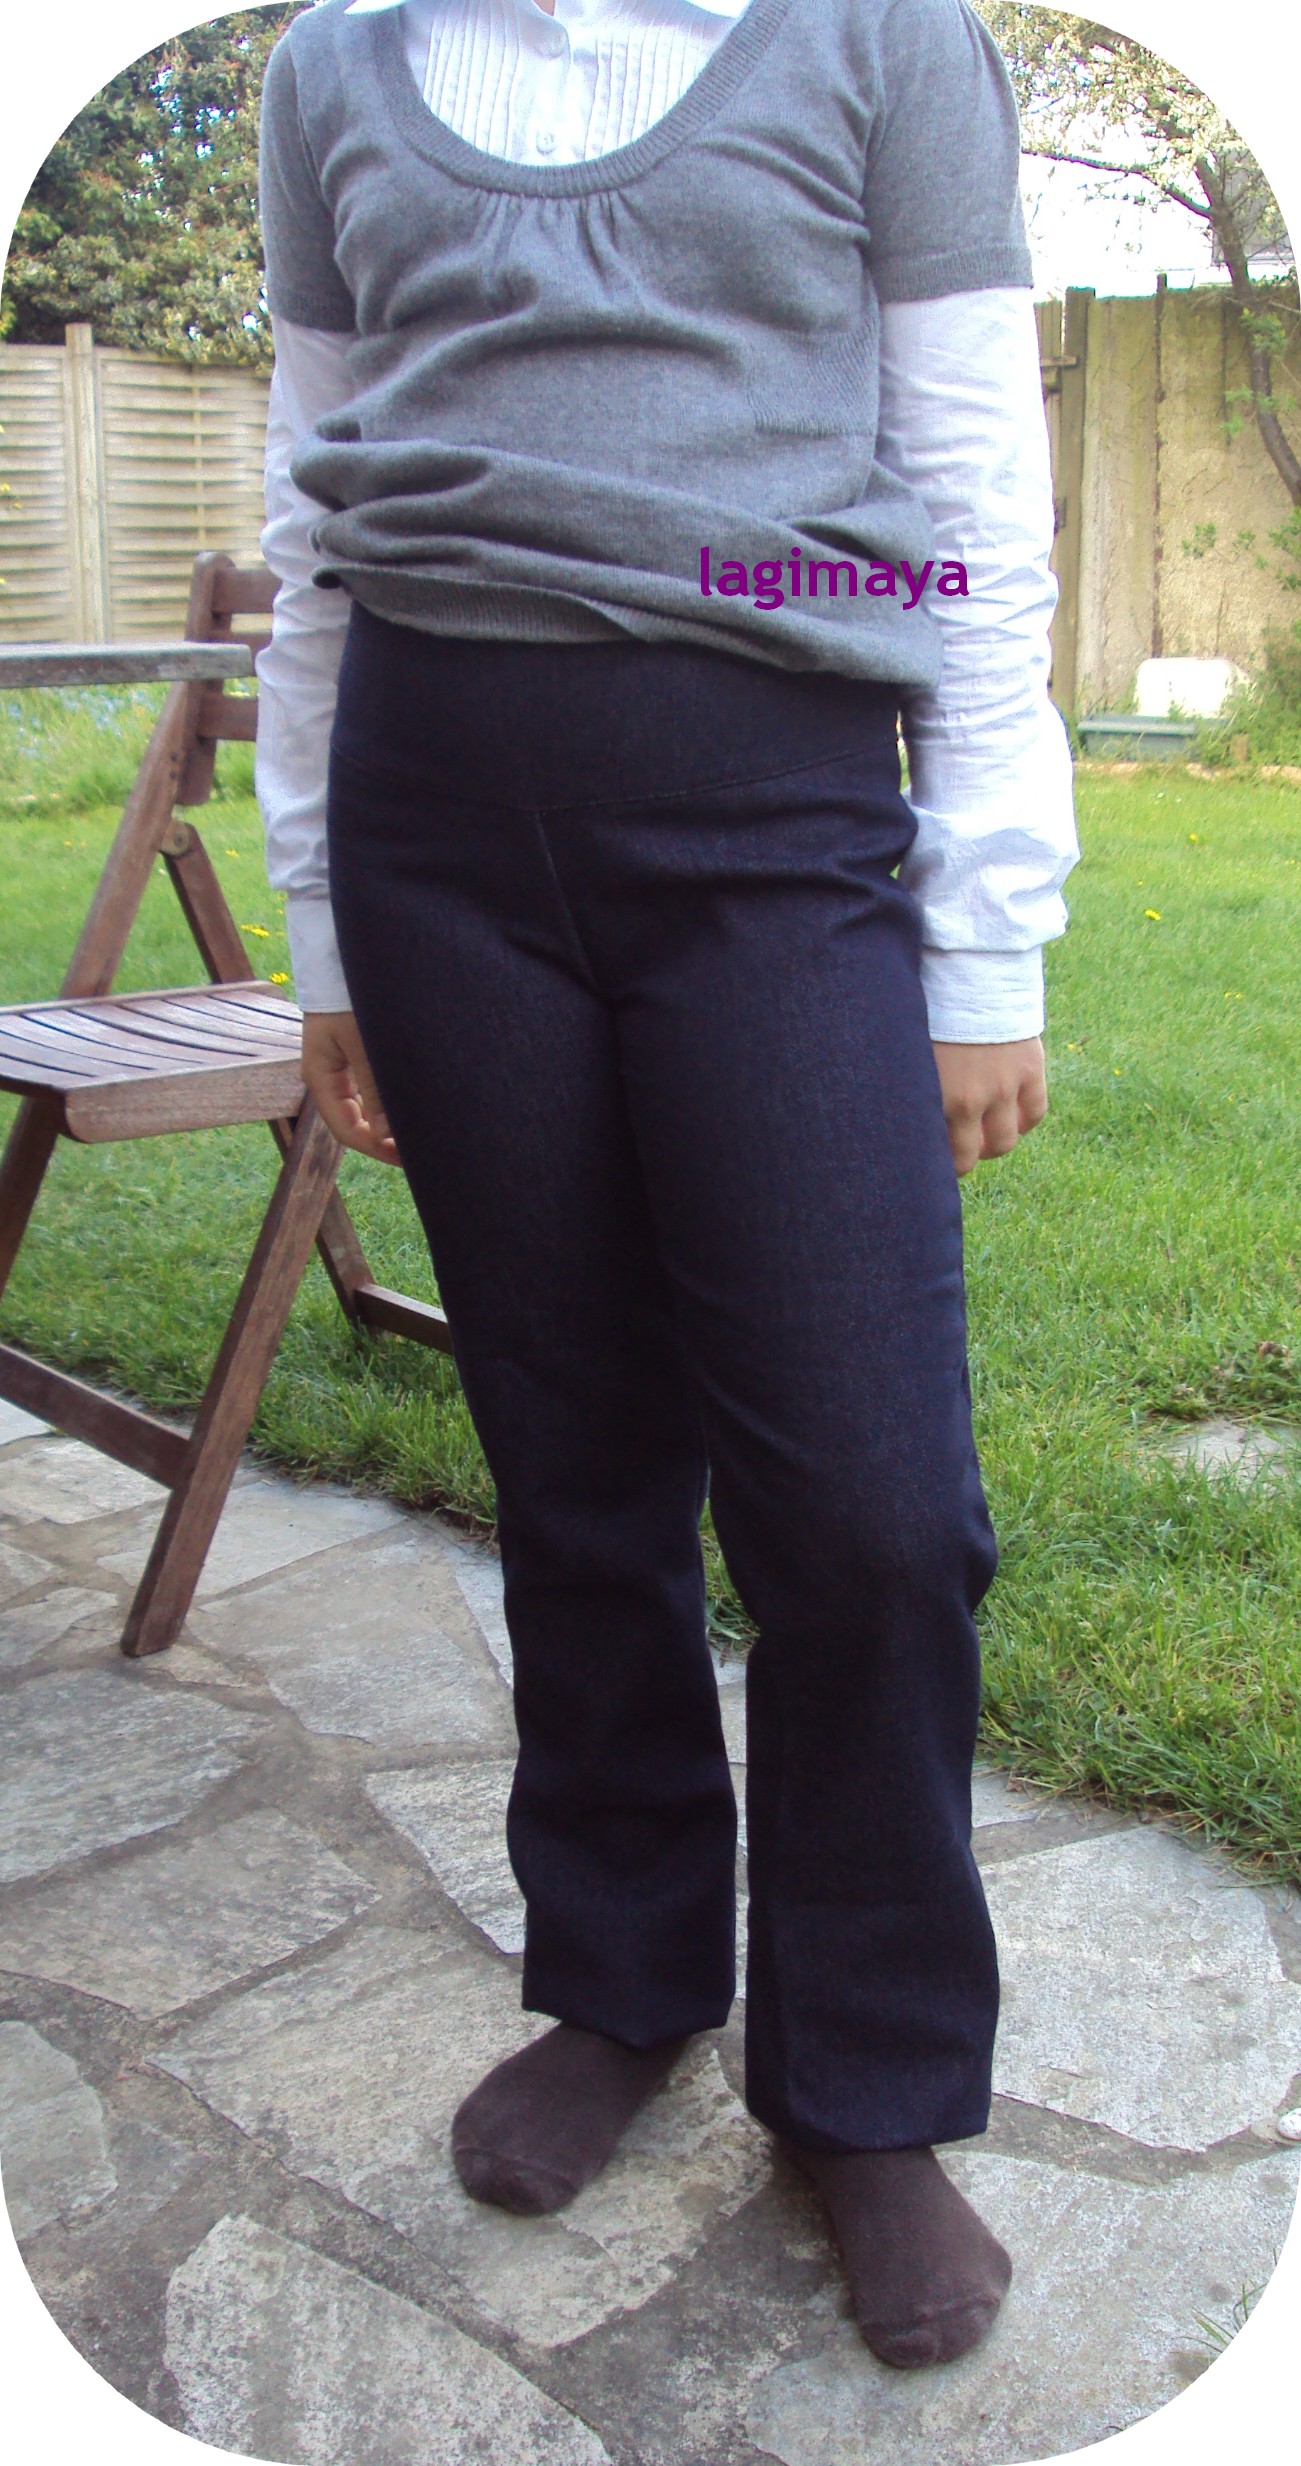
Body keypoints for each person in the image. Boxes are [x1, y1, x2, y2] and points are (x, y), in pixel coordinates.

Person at [255, 0, 1078, 2371]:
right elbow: (319, 504)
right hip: (435, 824)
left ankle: (869, 2079)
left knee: (874, 1508)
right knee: (577, 1460)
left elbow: (966, 496)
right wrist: (321, 920)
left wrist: (985, 923)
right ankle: (622, 1983)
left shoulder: (879, 46)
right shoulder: (333, 69)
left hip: (776, 807)